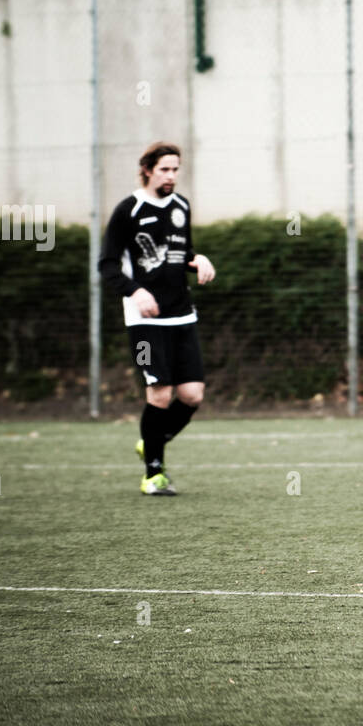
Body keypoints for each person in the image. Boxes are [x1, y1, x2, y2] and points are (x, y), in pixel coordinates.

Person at [98, 142, 216, 496]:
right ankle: (153, 474)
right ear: (147, 169)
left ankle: (153, 441)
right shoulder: (129, 210)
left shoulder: (181, 206)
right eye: (165, 169)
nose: (172, 176)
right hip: (145, 322)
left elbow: (183, 253)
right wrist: (134, 291)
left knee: (193, 395)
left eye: (176, 169)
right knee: (160, 394)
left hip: (182, 315)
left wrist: (200, 261)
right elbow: (106, 264)